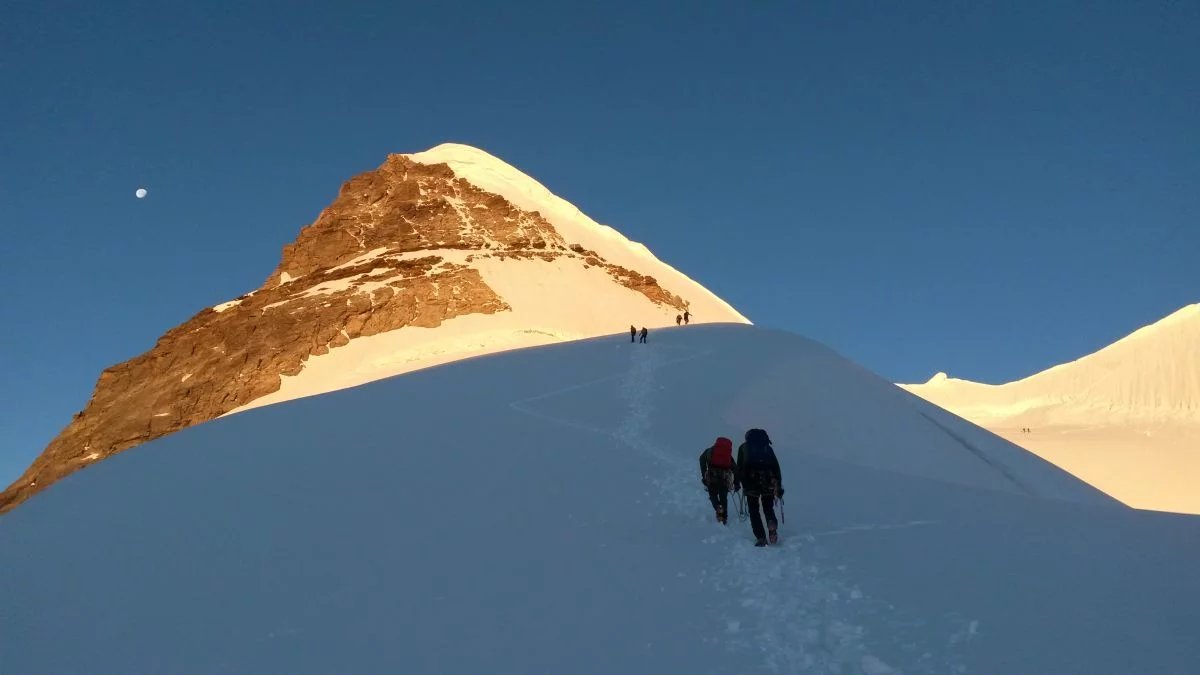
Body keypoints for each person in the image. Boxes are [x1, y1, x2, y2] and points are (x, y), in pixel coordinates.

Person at [736, 428, 783, 546]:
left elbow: (739, 467)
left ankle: (761, 537)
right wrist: (779, 486)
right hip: (768, 482)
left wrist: (741, 482)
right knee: (768, 507)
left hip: (751, 483)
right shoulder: (768, 448)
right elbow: (776, 468)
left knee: (754, 510)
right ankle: (771, 523)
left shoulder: (744, 447)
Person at [699, 437, 739, 524]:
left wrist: (704, 475)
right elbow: (735, 469)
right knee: (723, 497)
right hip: (724, 479)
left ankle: (718, 507)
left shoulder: (710, 451)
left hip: (712, 477)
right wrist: (736, 483)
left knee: (713, 494)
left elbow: (701, 459)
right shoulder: (728, 455)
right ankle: (724, 518)